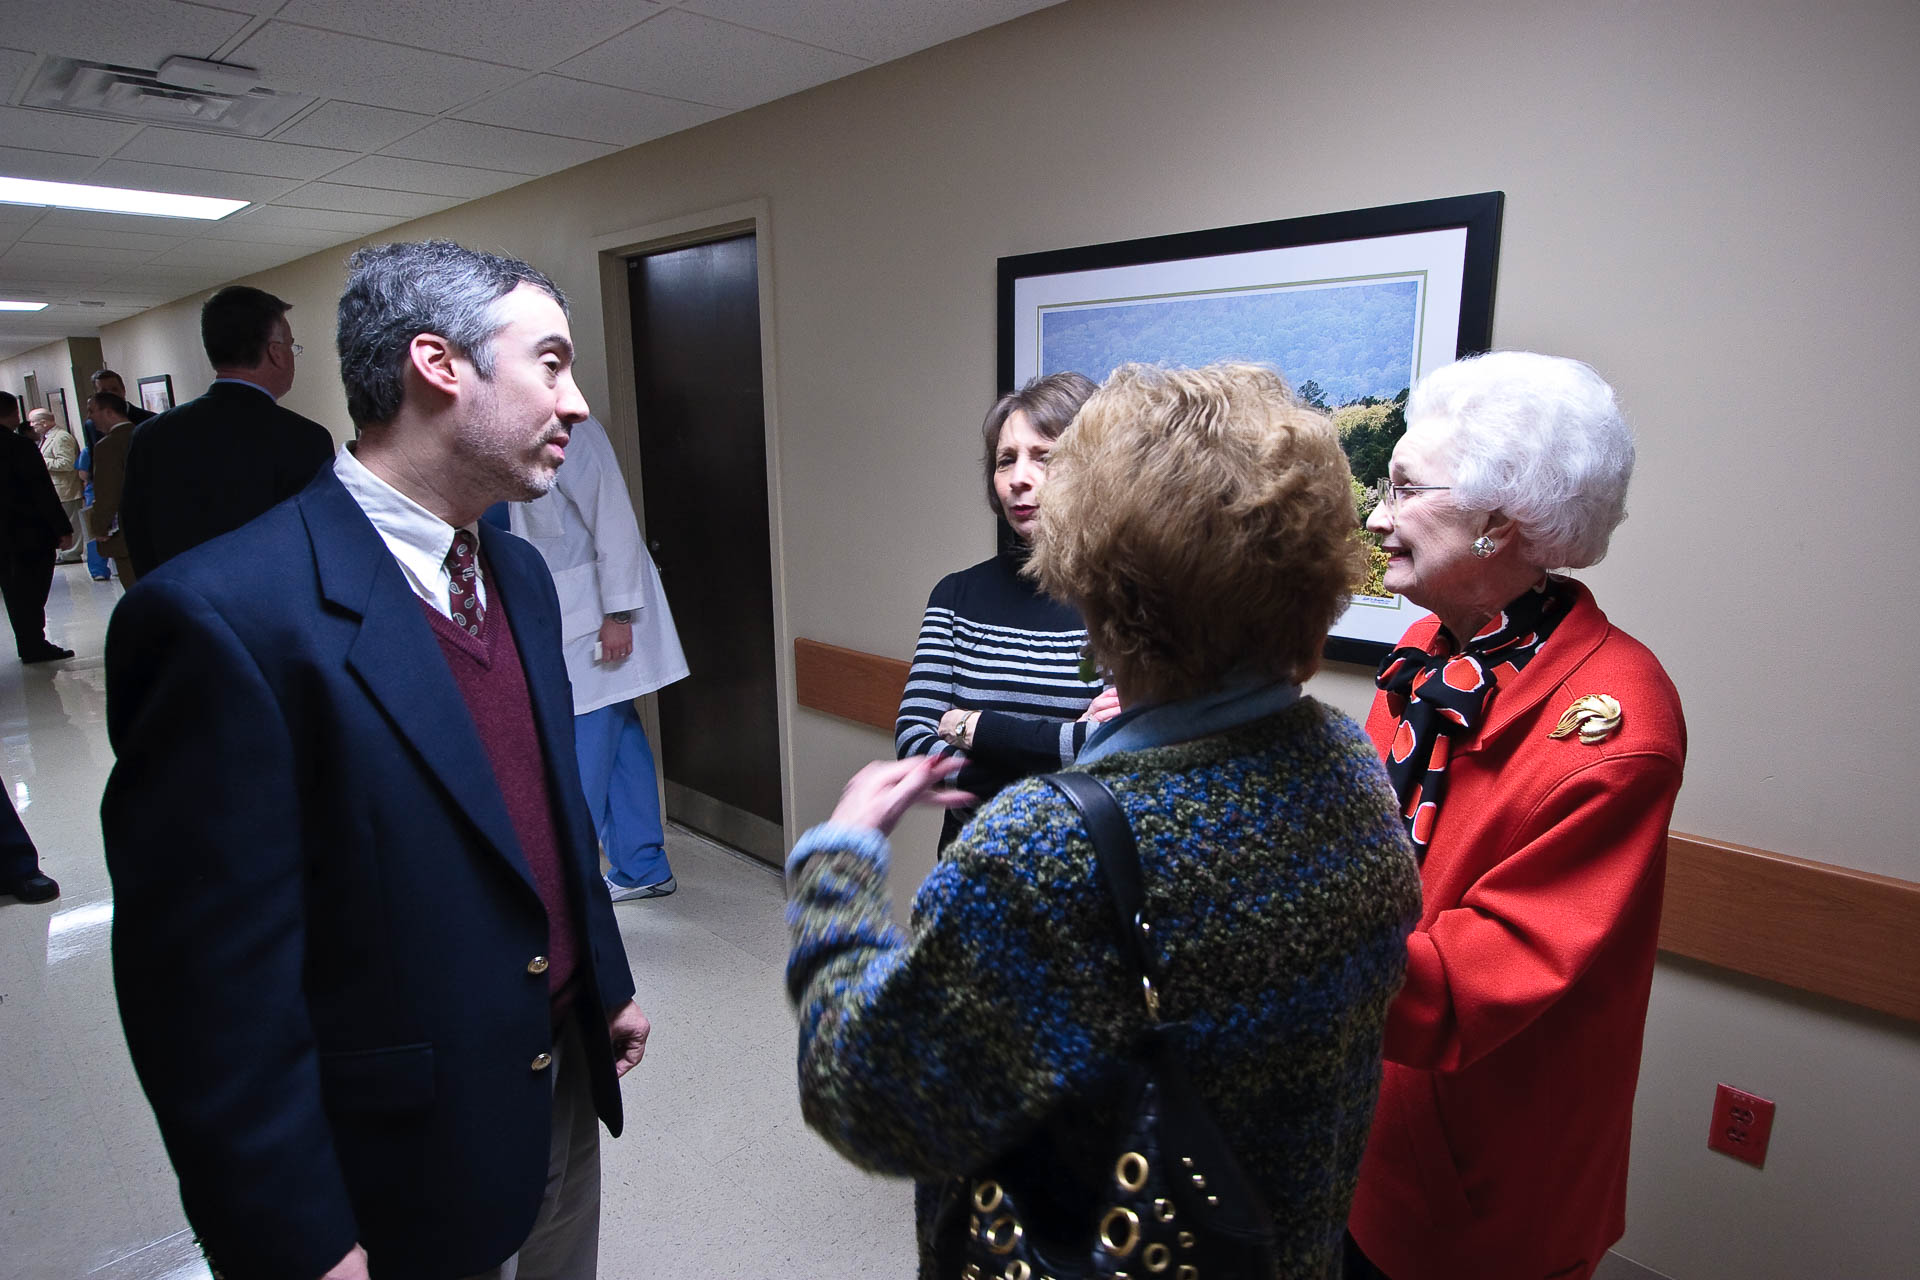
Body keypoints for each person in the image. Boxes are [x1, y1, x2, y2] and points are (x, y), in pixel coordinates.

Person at [787, 362, 1422, 1279]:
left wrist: (835, 868)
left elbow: (873, 1098)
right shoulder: (1348, 763)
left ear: (1092, 578)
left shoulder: (1043, 852)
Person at [103, 240, 650, 1280]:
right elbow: (206, 998)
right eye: (550, 361)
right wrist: (294, 1234)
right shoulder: (227, 619)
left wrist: (601, 977)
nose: (574, 400)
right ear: (439, 366)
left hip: (559, 1075)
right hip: (401, 1146)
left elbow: (540, 817)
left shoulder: (520, 578)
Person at [1344, 352, 1687, 1280]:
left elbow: (1471, 985)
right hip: (1364, 1127)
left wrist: (1272, 942)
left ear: (1500, 521)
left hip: (1476, 1183)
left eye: (1405, 488)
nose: (1377, 514)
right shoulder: (1425, 653)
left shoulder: (1620, 726)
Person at [894, 371, 1118, 849]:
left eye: (1045, 457)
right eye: (1005, 461)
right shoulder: (956, 596)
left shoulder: (1125, 602)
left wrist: (966, 724)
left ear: (1094, 468)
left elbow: (1113, 750)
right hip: (967, 863)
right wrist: (1058, 750)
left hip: (1082, 865)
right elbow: (914, 743)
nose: (1019, 478)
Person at [510, 414, 688, 901]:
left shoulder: (574, 431)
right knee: (620, 732)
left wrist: (620, 614)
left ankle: (569, 887)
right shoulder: (508, 427)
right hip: (571, 609)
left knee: (581, 743)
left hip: (600, 614)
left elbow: (613, 518)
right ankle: (642, 865)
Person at [119, 284, 336, 577]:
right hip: (263, 614)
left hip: (175, 605)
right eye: (291, 346)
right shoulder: (303, 439)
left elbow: (136, 532)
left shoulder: (150, 435)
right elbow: (315, 545)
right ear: (276, 353)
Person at [0, 391, 76, 662]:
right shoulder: (19, 447)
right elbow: (40, 491)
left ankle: (27, 641)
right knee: (32, 589)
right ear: (12, 415)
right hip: (28, 532)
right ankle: (34, 643)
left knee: (12, 589)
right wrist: (62, 528)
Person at [83, 393, 140, 587]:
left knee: (137, 593)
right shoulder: (146, 434)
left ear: (108, 412)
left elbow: (108, 494)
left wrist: (99, 527)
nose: (89, 417)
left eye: (92, 411)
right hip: (158, 532)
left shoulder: (107, 446)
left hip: (126, 534)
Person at [31, 407, 86, 563]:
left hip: (67, 487)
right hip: (58, 488)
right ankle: (66, 552)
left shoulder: (61, 437)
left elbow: (67, 463)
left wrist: (40, 462)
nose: (32, 426)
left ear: (44, 422)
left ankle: (72, 554)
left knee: (71, 522)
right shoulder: (47, 438)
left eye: (34, 423)